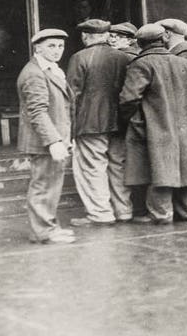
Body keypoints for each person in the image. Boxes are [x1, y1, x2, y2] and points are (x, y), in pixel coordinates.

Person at [119, 24, 187, 223]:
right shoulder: (182, 63)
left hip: (155, 126)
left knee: (158, 169)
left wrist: (134, 119)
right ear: (163, 40)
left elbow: (128, 99)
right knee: (185, 169)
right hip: (184, 125)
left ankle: (162, 214)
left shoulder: (141, 64)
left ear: (140, 43)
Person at [67, 19, 132, 226]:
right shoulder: (124, 57)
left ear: (85, 36)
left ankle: (101, 213)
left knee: (93, 168)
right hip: (119, 122)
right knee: (117, 166)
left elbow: (71, 96)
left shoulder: (79, 57)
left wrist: (68, 128)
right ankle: (124, 211)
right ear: (106, 35)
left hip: (90, 123)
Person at [17, 29, 76, 244]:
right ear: (38, 48)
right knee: (43, 185)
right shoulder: (34, 73)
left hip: (54, 139)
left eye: (60, 46)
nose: (57, 50)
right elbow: (37, 111)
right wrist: (53, 141)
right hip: (45, 141)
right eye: (51, 46)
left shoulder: (49, 70)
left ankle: (49, 227)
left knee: (50, 185)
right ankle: (43, 231)